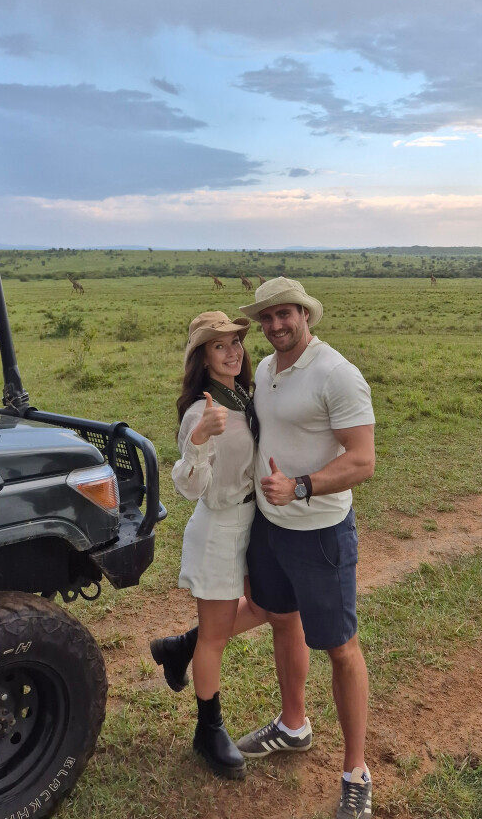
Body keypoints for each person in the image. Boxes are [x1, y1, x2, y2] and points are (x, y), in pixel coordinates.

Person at [235, 277, 376, 819]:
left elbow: (362, 460)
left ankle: (356, 772)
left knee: (341, 648)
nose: (275, 325)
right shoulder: (266, 370)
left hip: (320, 532)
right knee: (281, 620)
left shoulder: (336, 374)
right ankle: (293, 725)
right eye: (266, 318)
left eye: (284, 315)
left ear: (305, 314)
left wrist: (300, 487)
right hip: (270, 527)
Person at [150, 310, 265, 780]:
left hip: (255, 520)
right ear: (203, 357)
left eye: (235, 342)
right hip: (219, 527)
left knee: (266, 605)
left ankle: (181, 646)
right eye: (220, 345)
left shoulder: (243, 396)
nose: (232, 351)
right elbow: (191, 487)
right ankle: (208, 728)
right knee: (215, 638)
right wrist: (197, 439)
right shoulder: (202, 412)